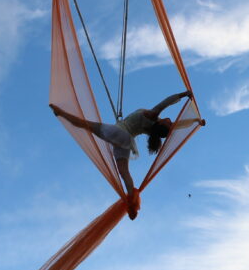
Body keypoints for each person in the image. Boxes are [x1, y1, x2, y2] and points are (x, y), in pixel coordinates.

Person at [50, 90, 192, 217]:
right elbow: (180, 125)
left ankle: (61, 113)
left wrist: (184, 94)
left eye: (169, 122)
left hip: (119, 133)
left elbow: (166, 102)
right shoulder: (153, 129)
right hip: (125, 142)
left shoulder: (153, 116)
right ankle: (132, 206)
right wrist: (196, 121)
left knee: (85, 124)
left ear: (162, 125)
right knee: (124, 172)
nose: (171, 120)